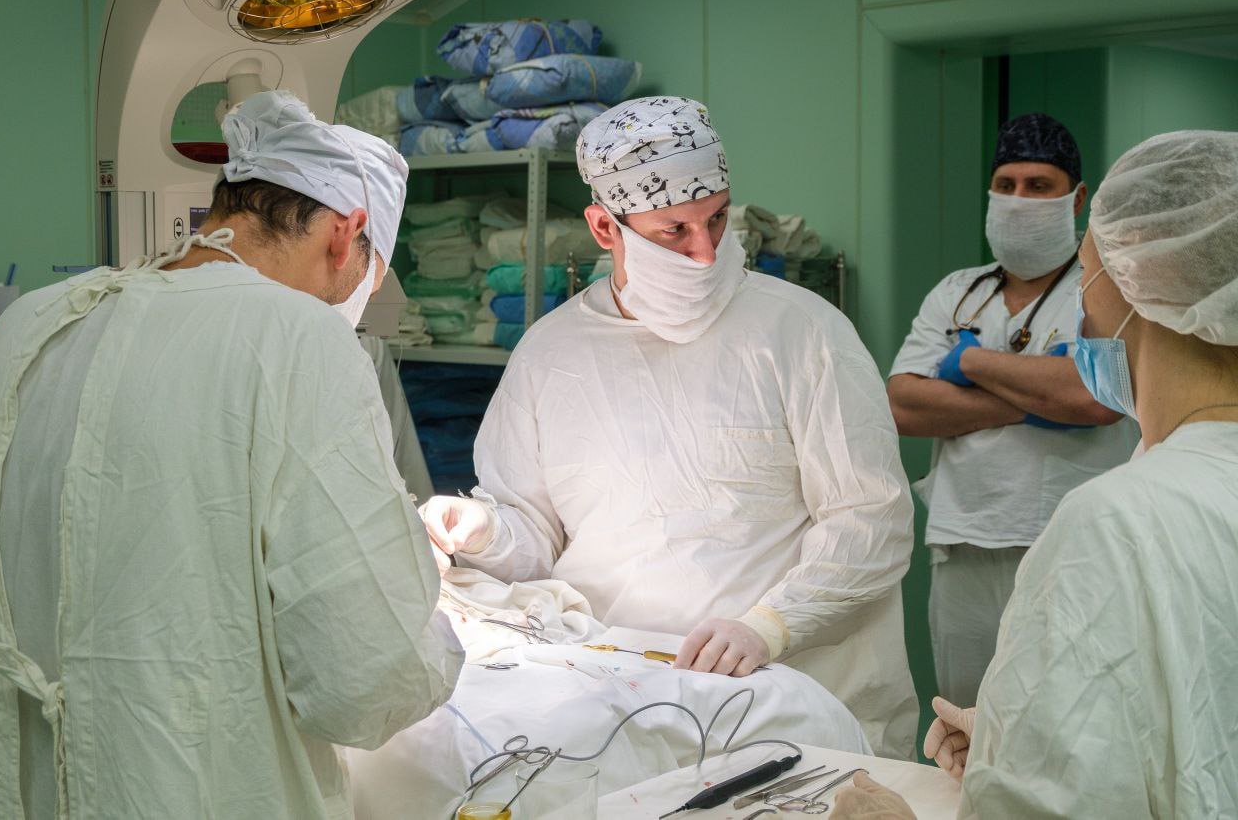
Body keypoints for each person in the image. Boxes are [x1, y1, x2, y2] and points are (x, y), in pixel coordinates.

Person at [0, 90, 463, 819]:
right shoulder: (298, 337)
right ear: (346, 232)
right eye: (370, 276)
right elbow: (366, 681)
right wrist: (428, 618)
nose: (358, 301)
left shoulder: (33, 320)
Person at [420, 96, 919, 759]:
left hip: (792, 702)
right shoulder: (551, 354)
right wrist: (485, 530)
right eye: (674, 231)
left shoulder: (802, 332)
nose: (705, 253)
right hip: (619, 701)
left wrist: (769, 626)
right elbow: (538, 536)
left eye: (718, 219)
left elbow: (871, 518)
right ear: (605, 228)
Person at [832, 130, 1238, 817]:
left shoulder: (1118, 519)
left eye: (1091, 280)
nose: (1083, 309)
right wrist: (1015, 741)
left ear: (1142, 289)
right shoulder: (1181, 483)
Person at [887, 113, 1139, 706]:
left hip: (1071, 542)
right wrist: (1039, 396)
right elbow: (902, 404)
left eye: (1039, 185)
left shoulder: (1105, 288)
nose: (1018, 198)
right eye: (1006, 185)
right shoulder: (958, 291)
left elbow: (1094, 397)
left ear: (1077, 198)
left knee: (1070, 713)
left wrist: (970, 362)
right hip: (965, 538)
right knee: (967, 715)